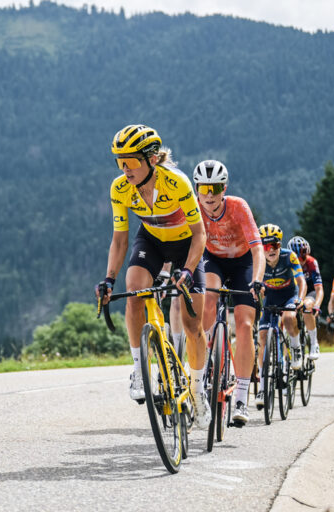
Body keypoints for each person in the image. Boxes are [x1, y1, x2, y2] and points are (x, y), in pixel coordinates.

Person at [96, 124, 211, 428]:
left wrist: (187, 270)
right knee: (133, 293)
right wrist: (109, 278)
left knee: (192, 324)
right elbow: (120, 239)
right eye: (119, 161)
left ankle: (199, 390)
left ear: (151, 158)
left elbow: (201, 234)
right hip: (152, 242)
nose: (124, 168)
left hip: (187, 244)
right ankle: (138, 367)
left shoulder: (177, 183)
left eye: (130, 161)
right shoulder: (119, 188)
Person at [192, 159, 264, 426]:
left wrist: (257, 280)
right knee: (208, 297)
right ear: (196, 188)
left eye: (216, 188)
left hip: (243, 263)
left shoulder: (238, 207)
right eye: (203, 188)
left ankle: (242, 396)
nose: (209, 195)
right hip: (213, 260)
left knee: (245, 324)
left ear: (224, 188)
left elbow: (258, 250)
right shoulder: (194, 207)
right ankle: (208, 354)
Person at [254, 224, 306, 409]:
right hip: (270, 297)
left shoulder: (288, 256)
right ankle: (262, 388)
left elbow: (301, 280)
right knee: (262, 337)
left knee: (289, 317)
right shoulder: (258, 259)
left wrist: (300, 299)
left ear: (279, 245)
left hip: (289, 295)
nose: (271, 250)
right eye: (266, 246)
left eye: (274, 245)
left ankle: (295, 348)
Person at [287, 236, 323, 360]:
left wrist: (317, 306)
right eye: (296, 258)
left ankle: (314, 343)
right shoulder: (287, 262)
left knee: (307, 307)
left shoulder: (311, 262)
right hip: (294, 292)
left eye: (302, 257)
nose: (300, 261)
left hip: (310, 292)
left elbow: (319, 289)